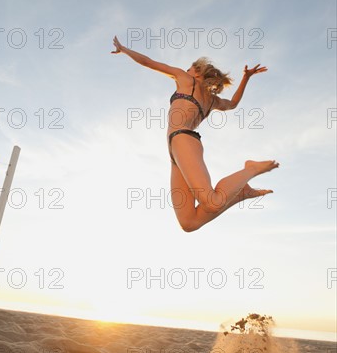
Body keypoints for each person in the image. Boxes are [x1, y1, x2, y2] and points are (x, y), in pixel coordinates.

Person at [112, 36, 279, 232]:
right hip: (175, 150)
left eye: (190, 68)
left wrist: (124, 49)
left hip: (183, 139)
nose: (186, 70)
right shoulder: (211, 100)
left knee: (212, 202)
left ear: (197, 72)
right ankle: (240, 193)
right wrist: (245, 78)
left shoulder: (186, 80)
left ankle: (250, 169)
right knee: (189, 223)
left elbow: (149, 62)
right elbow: (233, 104)